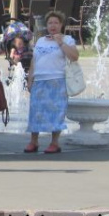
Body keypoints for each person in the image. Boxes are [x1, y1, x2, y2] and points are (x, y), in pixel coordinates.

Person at [25, 10, 79, 154]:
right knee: (36, 111)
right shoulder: (41, 41)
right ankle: (33, 141)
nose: (53, 25)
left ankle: (54, 142)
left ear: (61, 24)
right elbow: (33, 61)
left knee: (56, 112)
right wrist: (30, 79)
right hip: (40, 81)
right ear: (46, 25)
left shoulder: (67, 39)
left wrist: (60, 42)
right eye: (50, 23)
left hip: (57, 80)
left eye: (56, 22)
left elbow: (74, 56)